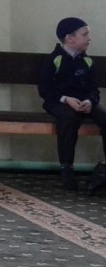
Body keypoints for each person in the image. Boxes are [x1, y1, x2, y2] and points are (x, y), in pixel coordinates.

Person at [38, 17, 106, 191]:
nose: (89, 39)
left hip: (83, 103)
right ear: (70, 38)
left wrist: (90, 101)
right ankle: (67, 169)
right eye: (85, 34)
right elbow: (45, 89)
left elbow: (94, 89)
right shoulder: (55, 59)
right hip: (58, 102)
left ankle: (104, 169)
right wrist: (66, 99)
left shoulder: (87, 61)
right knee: (69, 120)